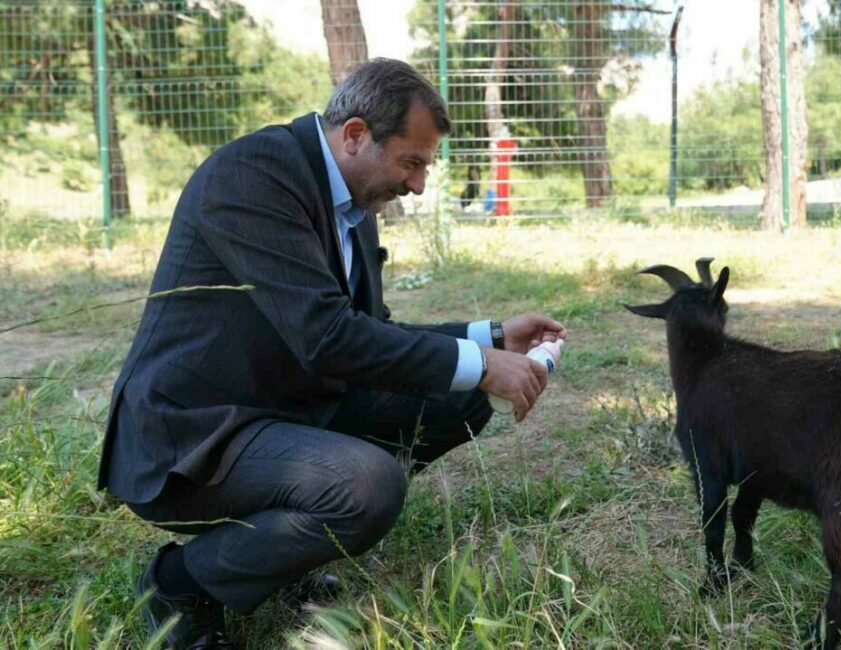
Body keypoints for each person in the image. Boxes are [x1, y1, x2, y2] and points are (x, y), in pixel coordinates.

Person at [98, 58, 565, 649]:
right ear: (354, 135)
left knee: (458, 399)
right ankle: (180, 582)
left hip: (283, 401)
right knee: (366, 486)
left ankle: (287, 543)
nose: (419, 184)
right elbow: (326, 336)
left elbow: (371, 332)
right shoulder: (254, 174)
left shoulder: (354, 202)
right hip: (195, 431)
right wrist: (482, 364)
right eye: (412, 162)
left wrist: (491, 338)